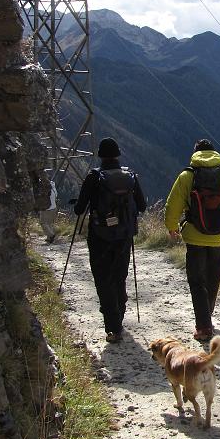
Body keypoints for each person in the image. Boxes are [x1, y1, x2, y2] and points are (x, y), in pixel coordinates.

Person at [74, 137, 147, 343]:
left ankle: (113, 327)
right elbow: (142, 206)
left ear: (100, 156)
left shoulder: (94, 177)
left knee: (102, 278)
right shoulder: (130, 176)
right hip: (124, 236)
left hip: (100, 236)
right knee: (119, 276)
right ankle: (119, 318)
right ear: (117, 154)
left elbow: (79, 209)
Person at [165, 139, 220, 341]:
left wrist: (172, 227)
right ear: (215, 154)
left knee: (197, 281)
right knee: (214, 277)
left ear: (195, 153)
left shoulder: (187, 176)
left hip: (195, 237)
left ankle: (204, 326)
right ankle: (208, 314)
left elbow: (173, 205)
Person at [39, 178, 57, 243]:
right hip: (54, 207)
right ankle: (49, 238)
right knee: (49, 223)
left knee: (43, 223)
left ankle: (51, 235)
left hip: (46, 208)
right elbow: (56, 195)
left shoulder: (41, 186)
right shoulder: (52, 186)